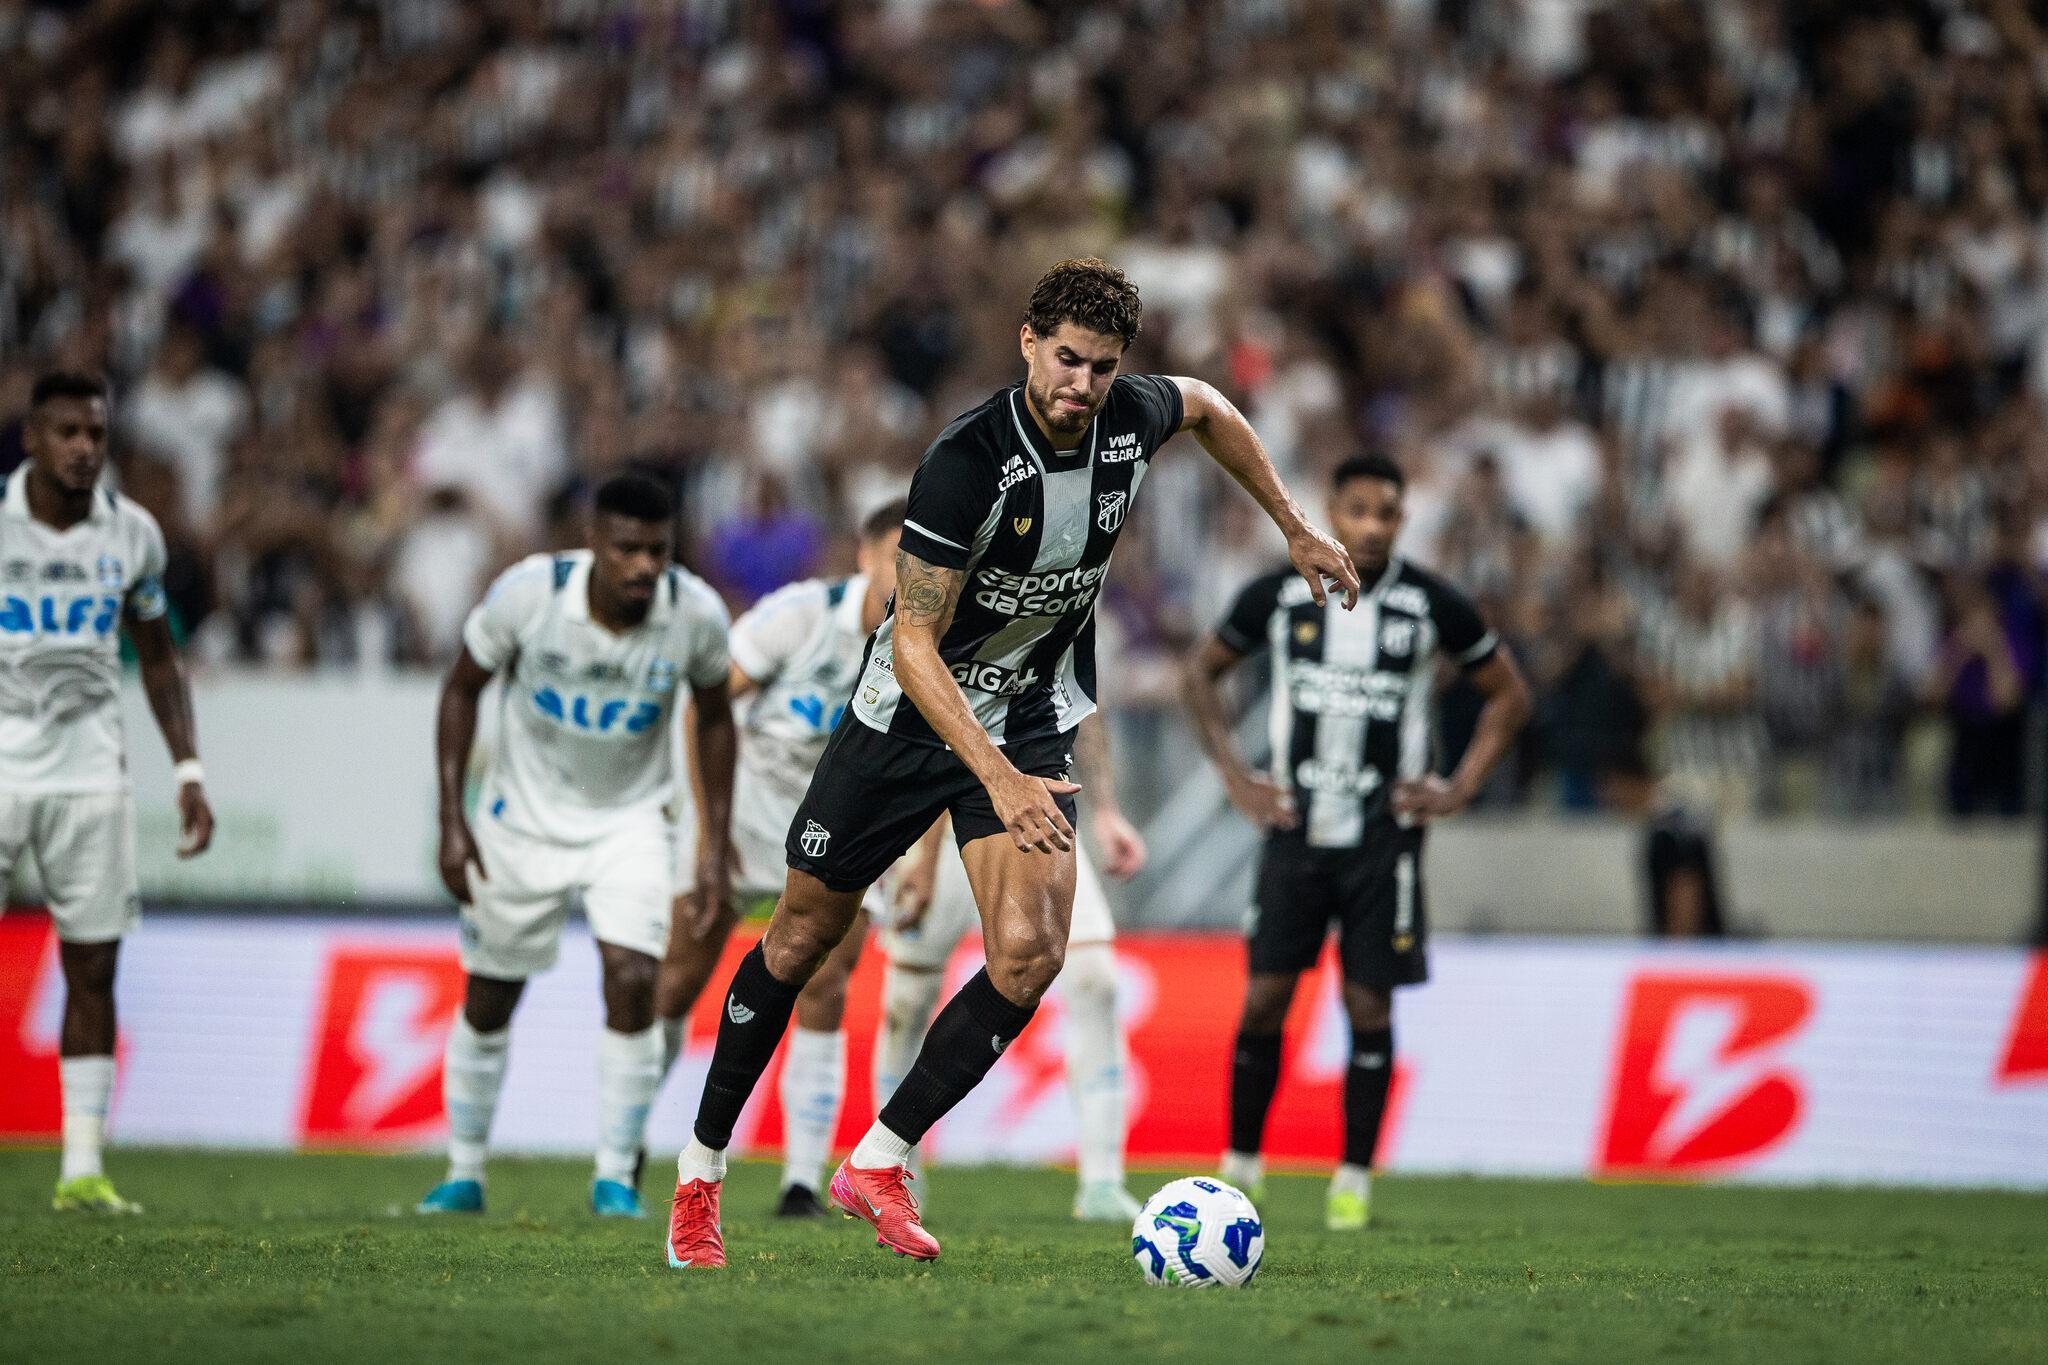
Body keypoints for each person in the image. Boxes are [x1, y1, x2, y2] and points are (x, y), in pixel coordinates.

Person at [664, 256, 1358, 1269]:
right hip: (904, 722)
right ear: (1028, 344)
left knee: (1031, 953)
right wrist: (992, 776)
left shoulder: (1132, 417)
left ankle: (879, 1160)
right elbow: (909, 640)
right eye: (1066, 359)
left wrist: (1292, 525)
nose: (1081, 384)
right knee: (798, 940)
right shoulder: (967, 460)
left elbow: (1207, 407)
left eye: (1102, 367)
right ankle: (698, 1175)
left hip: (1031, 711)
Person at [1182, 453, 1531, 1231]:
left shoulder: (1432, 602)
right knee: (1267, 995)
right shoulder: (1278, 593)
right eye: (1359, 510)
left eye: (1387, 512)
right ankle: (1242, 1165)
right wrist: (1237, 779)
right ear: (1330, 511)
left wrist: (1459, 785)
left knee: (1366, 1002)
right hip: (1295, 828)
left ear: (1403, 520)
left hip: (1384, 839)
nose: (1372, 526)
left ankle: (1353, 1180)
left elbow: (1509, 693)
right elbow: (1198, 674)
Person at [416, 471, 735, 1219]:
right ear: (592, 542)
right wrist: (451, 822)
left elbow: (717, 717)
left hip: (630, 821)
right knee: (491, 991)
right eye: (626, 549)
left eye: (657, 551)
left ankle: (615, 1174)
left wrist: (713, 842)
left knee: (631, 978)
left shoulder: (694, 612)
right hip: (520, 819)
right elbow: (460, 689)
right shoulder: (528, 594)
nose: (643, 568)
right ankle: (464, 1171)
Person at [0, 371, 215, 1214]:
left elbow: (158, 655)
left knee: (93, 966)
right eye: (68, 433)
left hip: (91, 771)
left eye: (96, 433)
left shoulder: (133, 535)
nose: (85, 448)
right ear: (32, 439)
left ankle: (82, 1169)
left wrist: (189, 769)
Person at [656, 499, 904, 1218]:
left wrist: (912, 862)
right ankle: (625, 1148)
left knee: (827, 986)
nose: (906, 573)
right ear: (864, 555)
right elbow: (706, 707)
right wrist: (709, 834)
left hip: (841, 828)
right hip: (745, 813)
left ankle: (800, 1179)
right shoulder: (796, 617)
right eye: (895, 555)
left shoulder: (927, 646)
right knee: (678, 980)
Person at [877, 706, 1146, 1223]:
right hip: (947, 810)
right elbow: (932, 712)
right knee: (906, 1004)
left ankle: (1103, 1183)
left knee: (1095, 979)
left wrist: (1107, 809)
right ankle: (892, 1176)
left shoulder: (1073, 620)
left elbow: (1084, 702)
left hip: (1036, 807)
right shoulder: (945, 621)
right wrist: (925, 858)